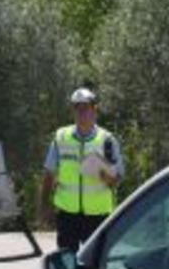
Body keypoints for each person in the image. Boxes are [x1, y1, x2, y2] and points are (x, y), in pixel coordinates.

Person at [42, 87, 123, 250]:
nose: (81, 113)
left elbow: (117, 180)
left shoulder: (107, 140)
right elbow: (49, 174)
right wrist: (45, 207)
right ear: (73, 111)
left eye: (86, 108)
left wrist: (104, 175)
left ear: (94, 111)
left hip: (98, 216)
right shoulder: (61, 137)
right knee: (67, 268)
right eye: (77, 108)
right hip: (67, 215)